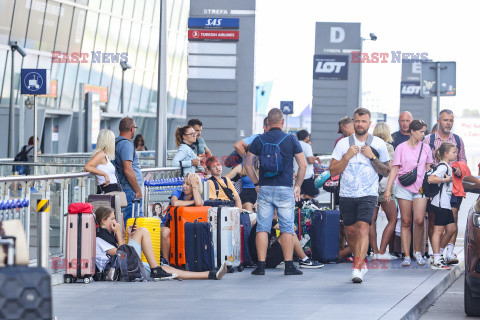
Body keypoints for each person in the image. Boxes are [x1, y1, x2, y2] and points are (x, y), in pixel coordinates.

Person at [329, 108, 390, 283]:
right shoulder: (343, 144)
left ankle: (356, 266)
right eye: (357, 121)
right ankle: (361, 262)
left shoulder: (378, 143)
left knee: (363, 228)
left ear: (369, 123)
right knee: (351, 231)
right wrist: (346, 157)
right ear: (352, 123)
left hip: (368, 193)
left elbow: (386, 171)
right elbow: (333, 170)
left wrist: (372, 157)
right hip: (347, 193)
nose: (360, 124)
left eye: (363, 121)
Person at [245, 108, 307, 276]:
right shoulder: (291, 139)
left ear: (267, 123)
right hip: (285, 189)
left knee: (262, 228)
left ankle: (261, 266)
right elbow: (303, 165)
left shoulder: (259, 140)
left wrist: (256, 183)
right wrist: (298, 185)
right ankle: (288, 266)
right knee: (287, 228)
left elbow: (248, 165)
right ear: (282, 122)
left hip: (265, 188)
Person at [94, 206, 226, 280]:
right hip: (121, 271)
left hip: (125, 267)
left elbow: (124, 254)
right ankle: (155, 270)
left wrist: (127, 234)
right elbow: (121, 255)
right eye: (112, 219)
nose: (115, 222)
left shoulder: (107, 236)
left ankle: (210, 274)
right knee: (142, 231)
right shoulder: (99, 239)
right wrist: (119, 233)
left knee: (168, 270)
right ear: (103, 221)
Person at [384, 119, 433, 267]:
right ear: (412, 131)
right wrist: (388, 188)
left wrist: (430, 188)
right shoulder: (400, 147)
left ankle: (417, 251)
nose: (423, 135)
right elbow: (395, 168)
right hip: (403, 186)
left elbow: (428, 169)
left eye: (424, 132)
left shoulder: (426, 148)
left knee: (419, 220)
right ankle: (406, 254)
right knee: (405, 221)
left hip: (421, 187)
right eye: (421, 132)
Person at [424, 109, 467, 263]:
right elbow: (425, 164)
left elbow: (463, 162)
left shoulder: (457, 139)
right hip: (436, 189)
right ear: (438, 121)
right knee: (433, 221)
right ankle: (436, 253)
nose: (448, 123)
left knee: (452, 219)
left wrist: (458, 170)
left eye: (451, 120)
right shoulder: (428, 140)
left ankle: (448, 253)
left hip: (453, 186)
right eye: (445, 120)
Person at [248, 216, 324, 269]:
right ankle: (304, 260)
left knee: (287, 234)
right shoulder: (269, 220)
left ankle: (303, 259)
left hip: (260, 260)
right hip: (267, 260)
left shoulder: (262, 219)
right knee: (290, 233)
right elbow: (289, 228)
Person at [369, 122, 398, 260]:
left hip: (371, 186)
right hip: (385, 187)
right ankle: (382, 251)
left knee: (371, 221)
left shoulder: (370, 146)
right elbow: (390, 168)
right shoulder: (388, 147)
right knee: (392, 219)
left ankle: (374, 251)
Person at [428, 142, 458, 270]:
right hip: (440, 204)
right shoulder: (443, 167)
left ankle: (438, 253)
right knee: (438, 231)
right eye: (454, 152)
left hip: (446, 204)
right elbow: (431, 179)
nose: (456, 154)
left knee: (451, 228)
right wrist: (446, 180)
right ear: (446, 154)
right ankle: (436, 258)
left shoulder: (447, 166)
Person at [161, 173, 204, 260]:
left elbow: (199, 203)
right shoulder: (177, 193)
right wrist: (192, 203)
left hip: (185, 228)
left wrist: (195, 186)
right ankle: (165, 261)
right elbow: (175, 203)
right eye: (183, 183)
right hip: (168, 226)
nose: (184, 186)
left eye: (188, 184)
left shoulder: (197, 198)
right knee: (165, 231)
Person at [114, 117, 144, 226]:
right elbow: (128, 169)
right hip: (130, 190)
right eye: (135, 128)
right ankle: (131, 243)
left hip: (124, 188)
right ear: (131, 129)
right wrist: (138, 190)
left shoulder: (116, 142)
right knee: (133, 223)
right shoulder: (126, 145)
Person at [84, 129, 121, 195]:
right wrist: (104, 174)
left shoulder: (104, 155)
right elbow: (87, 167)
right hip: (107, 189)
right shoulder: (101, 154)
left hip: (111, 188)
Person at [294, 130, 319, 199]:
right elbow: (310, 160)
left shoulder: (295, 144)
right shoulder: (307, 146)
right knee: (314, 193)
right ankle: (303, 197)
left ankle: (301, 202)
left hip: (296, 174)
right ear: (306, 137)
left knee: (298, 193)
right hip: (306, 175)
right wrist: (314, 158)